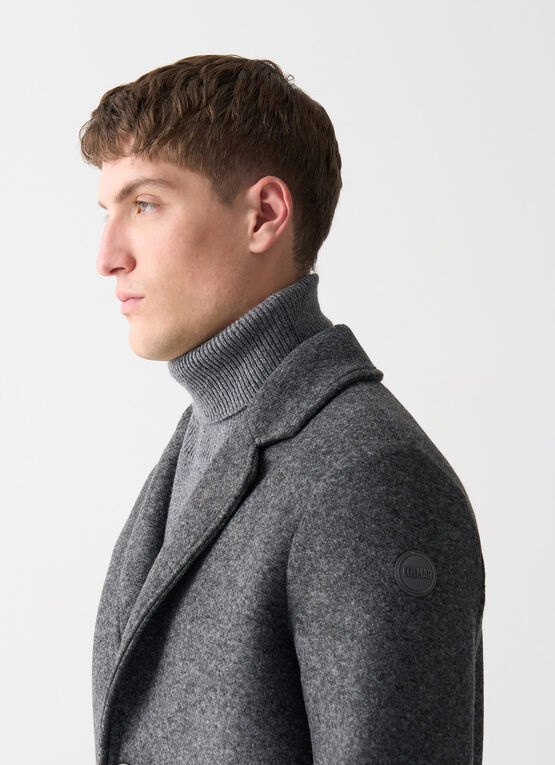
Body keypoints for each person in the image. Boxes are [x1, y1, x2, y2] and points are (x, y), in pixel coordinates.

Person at [80, 54, 486, 765]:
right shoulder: (207, 435)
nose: (107, 255)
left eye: (144, 204)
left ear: (264, 215)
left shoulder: (369, 479)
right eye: (106, 211)